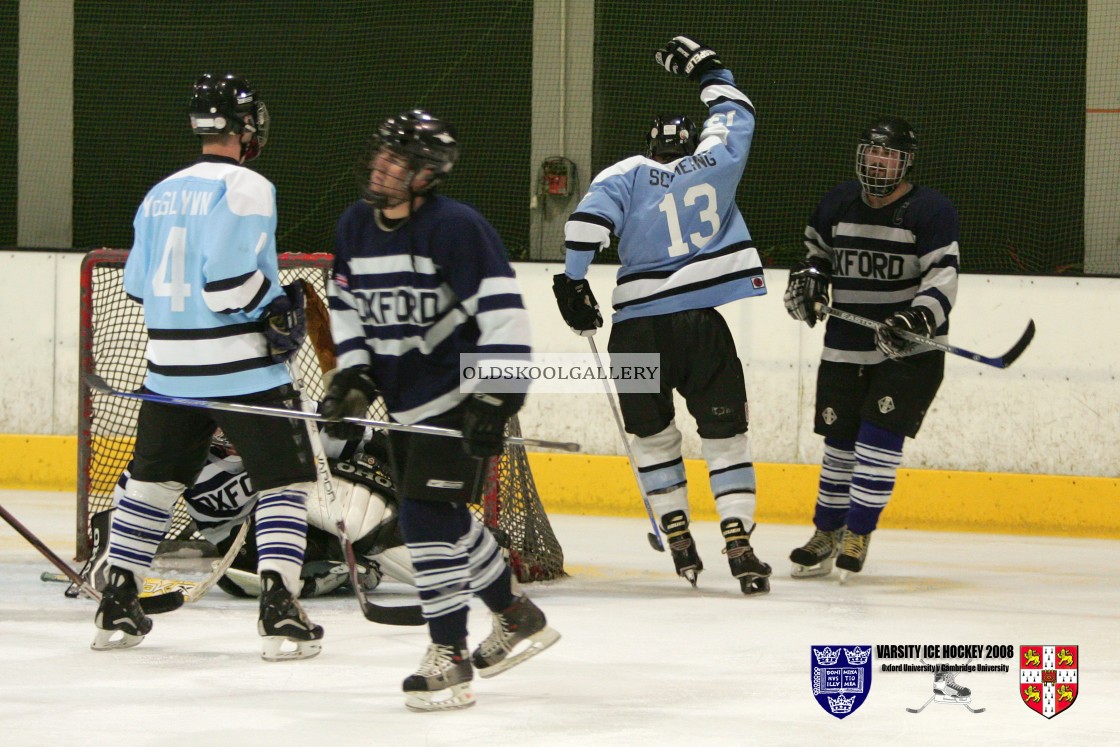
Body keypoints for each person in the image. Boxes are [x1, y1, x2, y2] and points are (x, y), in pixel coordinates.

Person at [322, 110, 560, 712]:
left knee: (426, 519)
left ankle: (449, 657)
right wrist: (352, 377)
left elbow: (504, 316)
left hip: (460, 395)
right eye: (380, 154)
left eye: (396, 160)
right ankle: (514, 613)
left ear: (427, 174)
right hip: (403, 403)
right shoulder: (354, 227)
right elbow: (347, 310)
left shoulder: (458, 229)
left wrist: (497, 397)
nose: (381, 167)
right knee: (444, 518)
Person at [94, 73, 324, 661]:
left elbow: (139, 287)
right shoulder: (247, 186)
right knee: (284, 485)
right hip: (242, 370)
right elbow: (228, 284)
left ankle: (117, 604)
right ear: (246, 128)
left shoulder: (159, 192)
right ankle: (280, 609)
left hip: (169, 369)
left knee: (151, 484)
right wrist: (276, 310)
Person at [553, 35, 772, 594]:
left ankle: (675, 529)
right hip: (700, 324)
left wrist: (572, 283)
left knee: (653, 439)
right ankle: (738, 539)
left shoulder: (624, 172)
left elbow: (583, 229)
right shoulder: (714, 162)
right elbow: (737, 112)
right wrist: (710, 70)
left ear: (650, 144)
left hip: (635, 331)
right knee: (727, 438)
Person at [783, 115, 959, 578]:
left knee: (878, 443)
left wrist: (917, 318)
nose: (878, 161)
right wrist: (811, 285)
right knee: (839, 446)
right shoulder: (837, 203)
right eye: (872, 152)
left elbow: (943, 277)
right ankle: (827, 531)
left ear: (905, 162)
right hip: (845, 346)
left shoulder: (931, 210)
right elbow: (816, 257)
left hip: (909, 352)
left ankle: (858, 532)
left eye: (889, 154)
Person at [83, 429, 414, 600]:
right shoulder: (180, 447)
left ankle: (446, 567)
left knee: (342, 498)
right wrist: (111, 563)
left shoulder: (287, 414)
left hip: (308, 519)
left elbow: (374, 447)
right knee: (249, 581)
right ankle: (348, 569)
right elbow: (135, 502)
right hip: (243, 550)